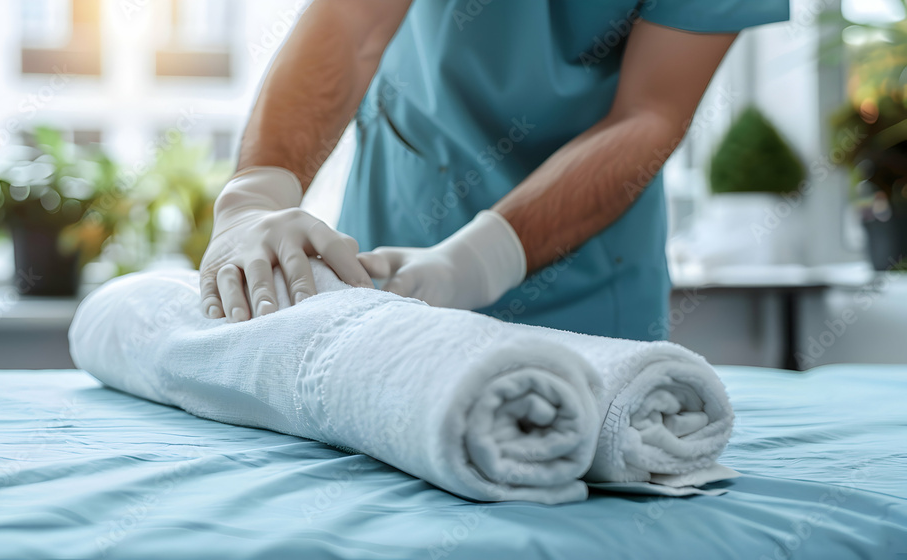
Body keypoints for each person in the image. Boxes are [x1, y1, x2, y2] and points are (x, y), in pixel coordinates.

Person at [198, 0, 788, 340]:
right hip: (387, 247)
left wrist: (479, 260)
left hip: (586, 293)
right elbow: (352, 24)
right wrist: (257, 190)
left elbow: (651, 113)